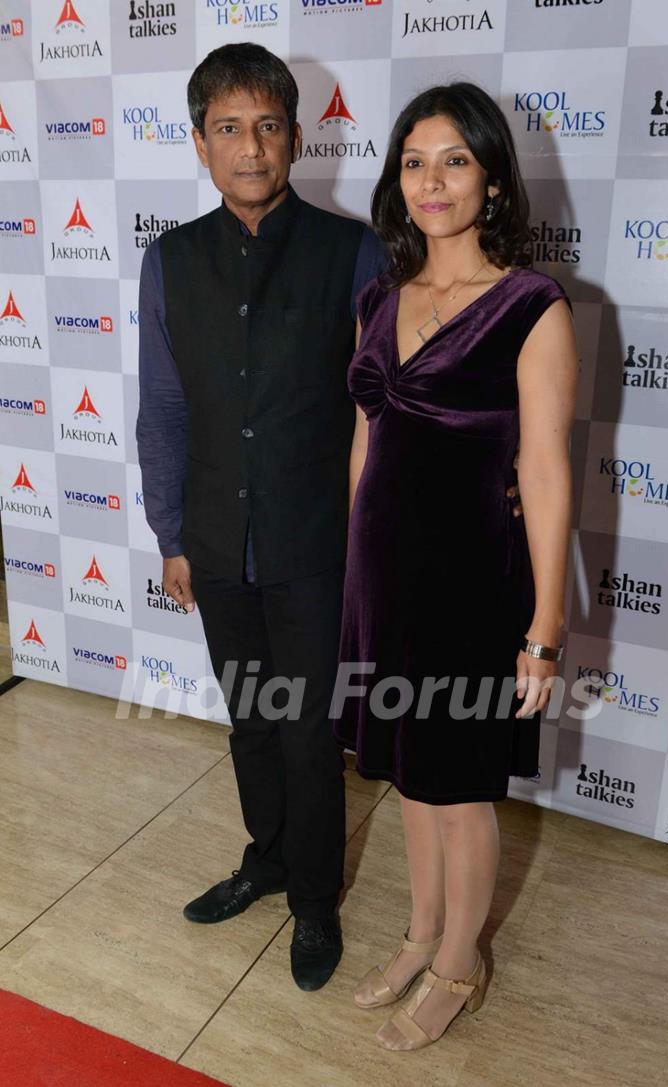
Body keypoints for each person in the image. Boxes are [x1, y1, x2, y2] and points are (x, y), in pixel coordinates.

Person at [136, 43, 389, 991]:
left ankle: (315, 900)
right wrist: (172, 535)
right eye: (229, 129)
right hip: (213, 541)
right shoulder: (171, 259)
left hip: (315, 544)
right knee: (249, 720)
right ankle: (269, 859)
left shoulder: (353, 252)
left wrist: (369, 539)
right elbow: (162, 409)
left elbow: (379, 412)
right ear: (199, 142)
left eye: (268, 127)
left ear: (295, 137)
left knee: (308, 731)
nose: (251, 148)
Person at [332, 83, 577, 1049]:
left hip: (476, 585)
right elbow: (366, 442)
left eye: (455, 160)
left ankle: (460, 963)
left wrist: (544, 631)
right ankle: (424, 929)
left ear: (491, 178)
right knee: (407, 775)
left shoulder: (531, 306)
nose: (432, 181)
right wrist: (356, 575)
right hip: (383, 581)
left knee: (459, 790)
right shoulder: (380, 298)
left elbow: (548, 474)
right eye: (414, 161)